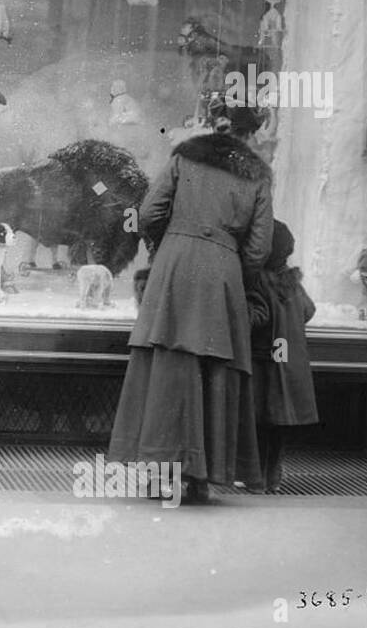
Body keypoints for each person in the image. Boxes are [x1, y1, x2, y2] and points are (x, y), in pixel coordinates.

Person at [106, 102, 273, 503]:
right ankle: (201, 478)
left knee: (164, 364)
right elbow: (259, 247)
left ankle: (155, 472)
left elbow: (148, 214)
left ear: (215, 125)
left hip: (175, 264)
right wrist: (232, 275)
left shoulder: (183, 157)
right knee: (213, 369)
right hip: (223, 273)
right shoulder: (259, 176)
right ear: (250, 134)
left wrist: (171, 250)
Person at [245, 219, 319, 493]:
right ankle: (272, 478)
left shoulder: (257, 279)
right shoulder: (292, 281)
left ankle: (256, 479)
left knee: (258, 421)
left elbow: (258, 317)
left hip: (264, 361)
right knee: (277, 426)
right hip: (285, 362)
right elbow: (309, 310)